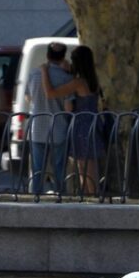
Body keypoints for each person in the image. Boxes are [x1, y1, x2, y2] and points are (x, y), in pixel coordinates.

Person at [40, 45, 104, 195]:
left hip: (81, 127)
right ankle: (90, 196)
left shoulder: (78, 83)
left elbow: (50, 93)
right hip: (93, 124)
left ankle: (93, 197)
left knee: (85, 168)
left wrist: (44, 72)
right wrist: (68, 70)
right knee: (88, 167)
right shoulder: (93, 80)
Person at [25, 42, 73, 195]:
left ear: (47, 56)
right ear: (63, 57)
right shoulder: (66, 78)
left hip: (37, 127)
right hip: (58, 129)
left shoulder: (34, 74)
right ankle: (60, 194)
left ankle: (35, 195)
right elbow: (68, 108)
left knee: (37, 167)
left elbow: (28, 98)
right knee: (59, 166)